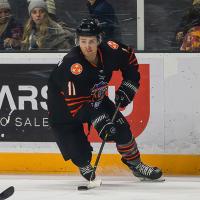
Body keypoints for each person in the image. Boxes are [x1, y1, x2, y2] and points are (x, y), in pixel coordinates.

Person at [47, 18, 163, 182]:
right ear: (77, 41)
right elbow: (78, 108)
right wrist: (99, 119)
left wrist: (130, 84)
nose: (88, 46)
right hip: (64, 109)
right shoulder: (72, 67)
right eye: (83, 41)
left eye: (92, 41)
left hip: (95, 98)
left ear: (99, 40)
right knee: (80, 154)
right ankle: (83, 163)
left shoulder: (110, 50)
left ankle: (136, 165)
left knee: (121, 129)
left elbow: (129, 59)